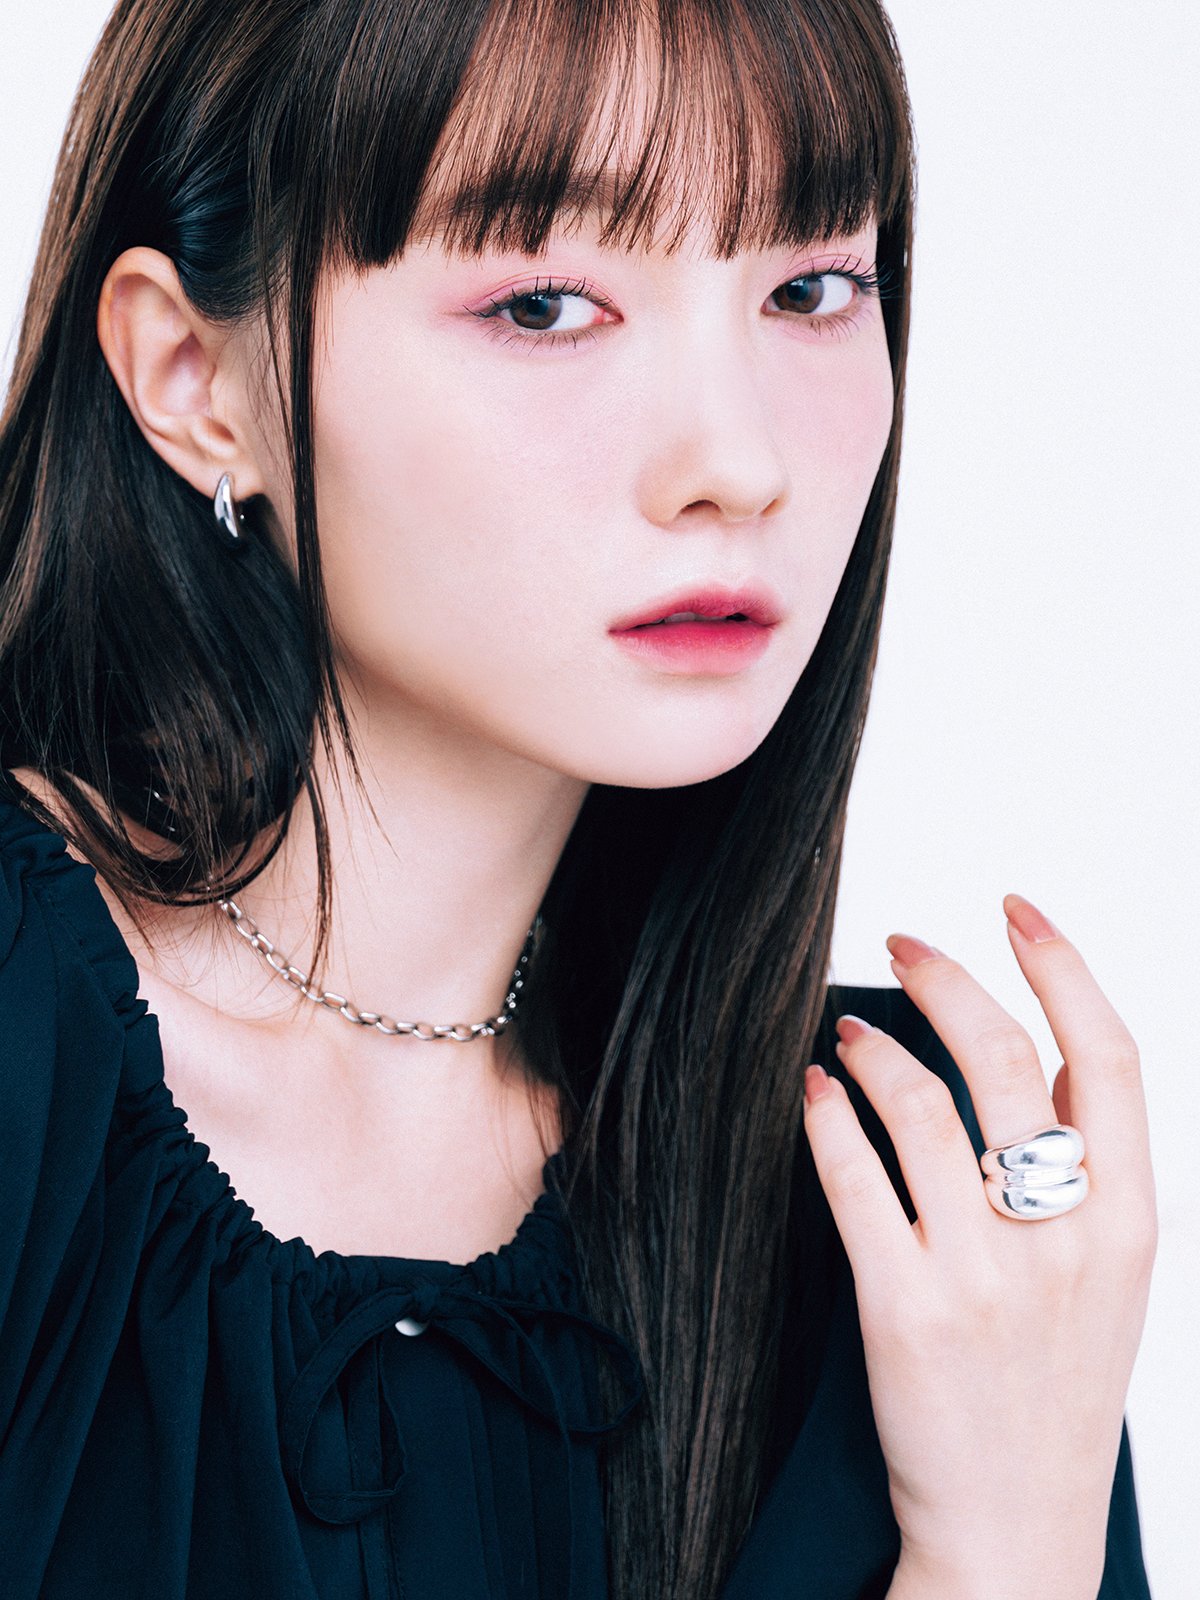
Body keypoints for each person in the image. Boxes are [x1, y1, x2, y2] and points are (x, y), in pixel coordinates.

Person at [0, 0, 1157, 1596]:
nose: (738, 463)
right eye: (545, 305)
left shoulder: (905, 1212)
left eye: (811, 289)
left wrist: (1008, 1546)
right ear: (194, 377)